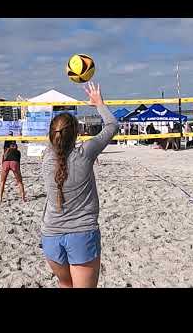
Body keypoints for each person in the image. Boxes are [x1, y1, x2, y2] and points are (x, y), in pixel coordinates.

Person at [40, 82, 118, 288]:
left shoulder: (46, 158)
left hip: (51, 237)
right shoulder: (85, 153)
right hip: (81, 235)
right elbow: (112, 126)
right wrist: (99, 103)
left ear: (51, 136)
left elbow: (58, 140)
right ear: (76, 134)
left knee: (65, 284)